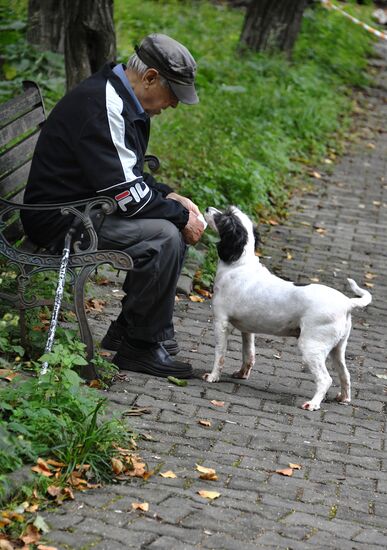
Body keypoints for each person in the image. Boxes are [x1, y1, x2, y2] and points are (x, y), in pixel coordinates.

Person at [21, 33, 205, 379]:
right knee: (164, 236)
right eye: (173, 95)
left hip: (86, 206)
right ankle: (140, 346)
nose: (174, 105)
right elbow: (127, 197)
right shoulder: (103, 105)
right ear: (150, 77)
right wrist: (179, 214)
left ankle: (135, 333)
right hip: (61, 218)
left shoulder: (122, 98)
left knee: (170, 226)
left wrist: (168, 196)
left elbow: (125, 173)